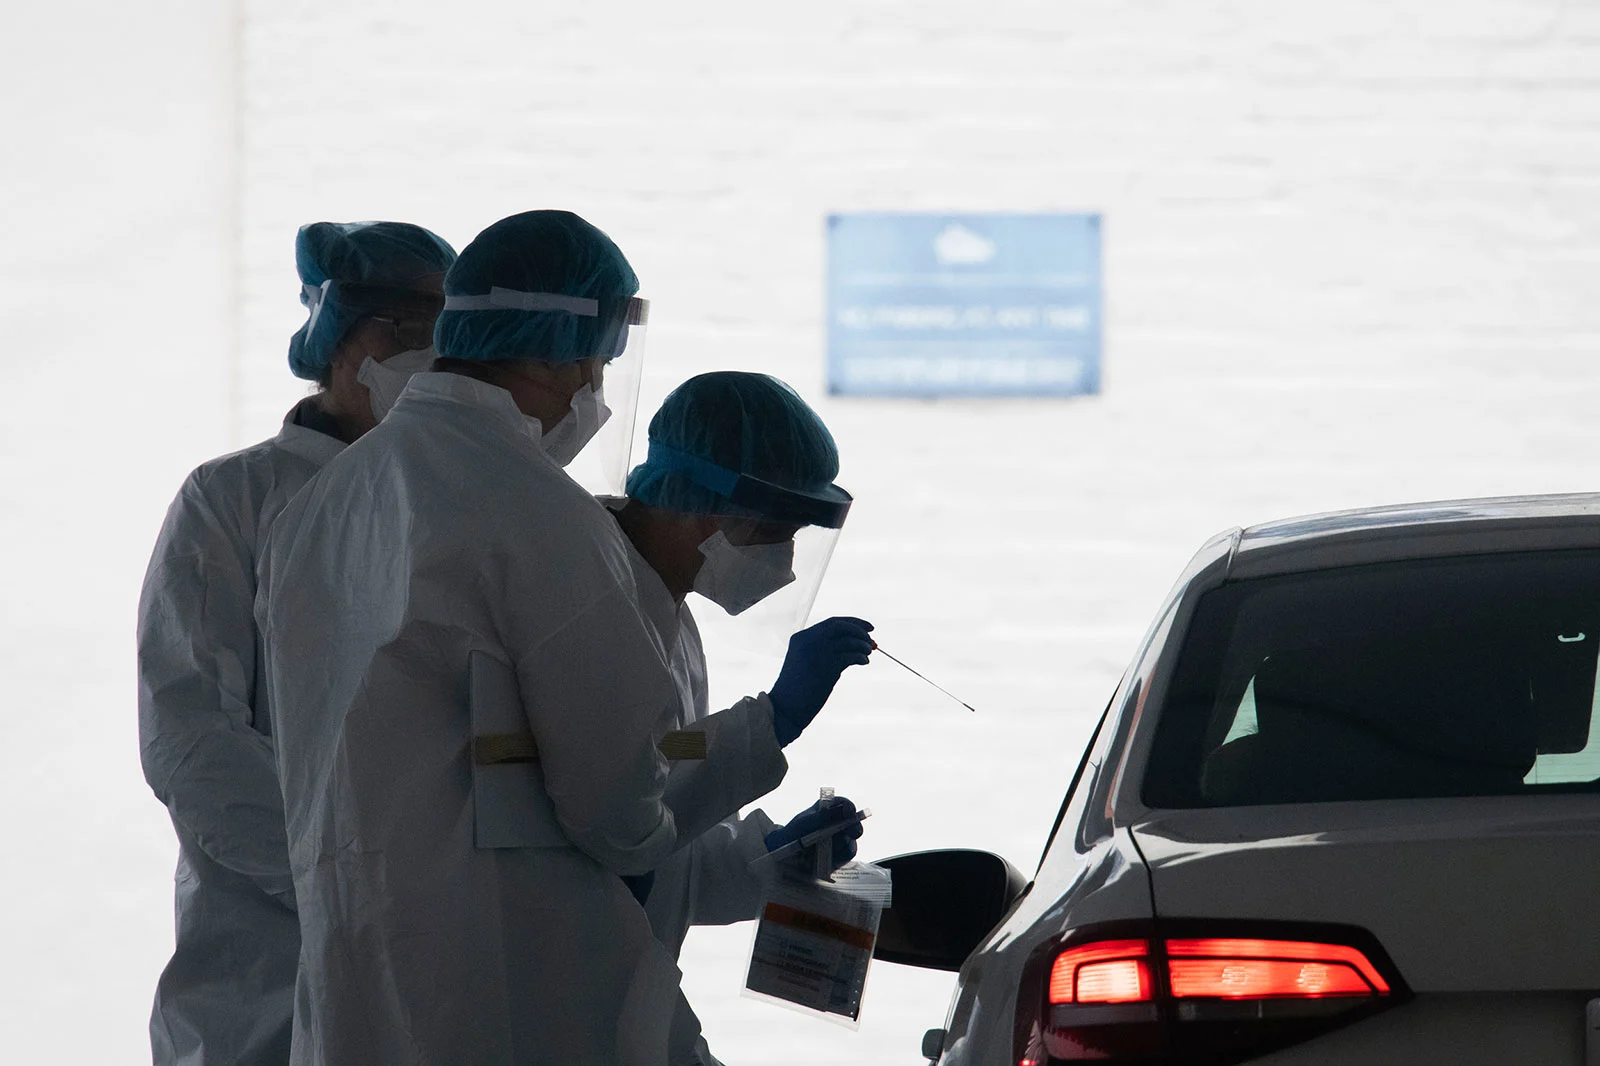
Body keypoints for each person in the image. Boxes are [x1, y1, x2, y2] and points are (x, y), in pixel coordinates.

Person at [257, 210, 732, 1066]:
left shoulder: (320, 506)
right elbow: (619, 806)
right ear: (552, 352)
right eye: (594, 360)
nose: (593, 385)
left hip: (355, 975)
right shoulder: (537, 512)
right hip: (506, 986)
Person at [137, 220, 457, 1066]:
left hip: (434, 960)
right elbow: (193, 742)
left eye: (445, 332)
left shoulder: (452, 501)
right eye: (411, 330)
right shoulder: (233, 500)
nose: (434, 354)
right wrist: (343, 886)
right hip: (263, 978)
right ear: (343, 335)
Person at [608, 371, 875, 1065]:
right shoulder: (593, 604)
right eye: (774, 529)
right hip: (561, 977)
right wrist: (772, 721)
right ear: (703, 503)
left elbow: (674, 849)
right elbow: (614, 814)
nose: (783, 562)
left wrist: (772, 856)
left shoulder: (667, 615)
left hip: (627, 983)